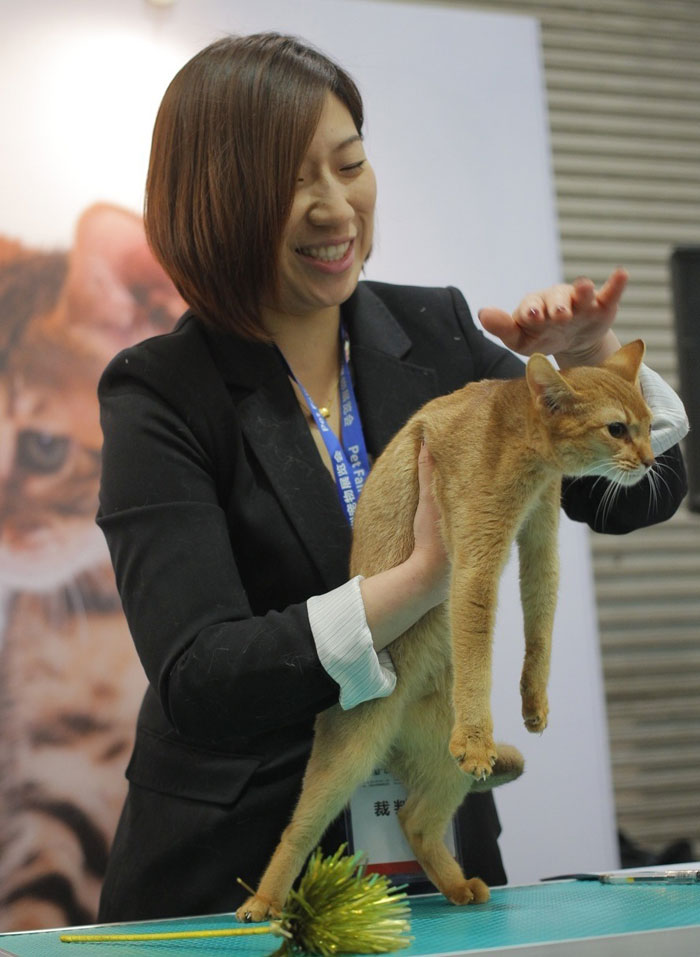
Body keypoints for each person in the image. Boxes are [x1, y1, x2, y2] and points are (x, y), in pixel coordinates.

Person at [95, 32, 688, 923]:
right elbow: (200, 675)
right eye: (297, 181)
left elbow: (654, 494)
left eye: (351, 164)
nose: (337, 209)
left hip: (436, 870)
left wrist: (594, 361)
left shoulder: (437, 332)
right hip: (233, 876)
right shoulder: (159, 393)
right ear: (215, 200)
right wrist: (415, 582)